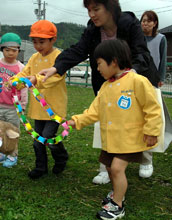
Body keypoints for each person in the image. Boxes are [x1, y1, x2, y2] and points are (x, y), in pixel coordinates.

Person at [38, 0, 160, 185]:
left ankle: (146, 159)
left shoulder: (129, 23)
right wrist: (56, 68)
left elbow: (141, 53)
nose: (91, 14)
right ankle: (106, 167)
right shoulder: (92, 29)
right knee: (106, 120)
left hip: (136, 77)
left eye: (96, 9)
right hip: (107, 84)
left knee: (141, 119)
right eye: (88, 10)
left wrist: (129, 77)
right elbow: (78, 50)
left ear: (110, 8)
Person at [67, 39, 162, 220]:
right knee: (110, 168)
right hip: (110, 140)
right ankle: (118, 192)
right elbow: (94, 112)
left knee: (117, 169)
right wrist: (75, 121)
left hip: (129, 139)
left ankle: (118, 206)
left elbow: (153, 108)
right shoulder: (105, 86)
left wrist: (152, 131)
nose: (98, 68)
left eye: (100, 64)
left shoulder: (138, 81)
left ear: (114, 61)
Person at [13, 20, 69, 179]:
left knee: (46, 139)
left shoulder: (59, 57)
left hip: (54, 109)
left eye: (42, 41)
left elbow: (56, 77)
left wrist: (36, 79)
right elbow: (24, 74)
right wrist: (14, 82)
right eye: (35, 41)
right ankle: (41, 167)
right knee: (38, 140)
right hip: (38, 109)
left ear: (53, 39)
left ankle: (61, 157)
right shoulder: (34, 58)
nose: (38, 45)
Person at [0, 33, 28, 168]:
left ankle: (12, 155)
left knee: (12, 131)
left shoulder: (21, 68)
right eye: (7, 50)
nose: (10, 53)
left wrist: (22, 104)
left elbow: (24, 88)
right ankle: (0, 153)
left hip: (13, 107)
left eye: (14, 50)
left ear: (18, 50)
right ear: (2, 50)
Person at [139, 10, 168, 178]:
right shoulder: (136, 38)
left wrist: (161, 78)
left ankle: (147, 160)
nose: (146, 24)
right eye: (143, 21)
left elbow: (163, 59)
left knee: (152, 120)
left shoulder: (161, 39)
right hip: (135, 82)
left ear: (155, 23)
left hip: (152, 81)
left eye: (149, 21)